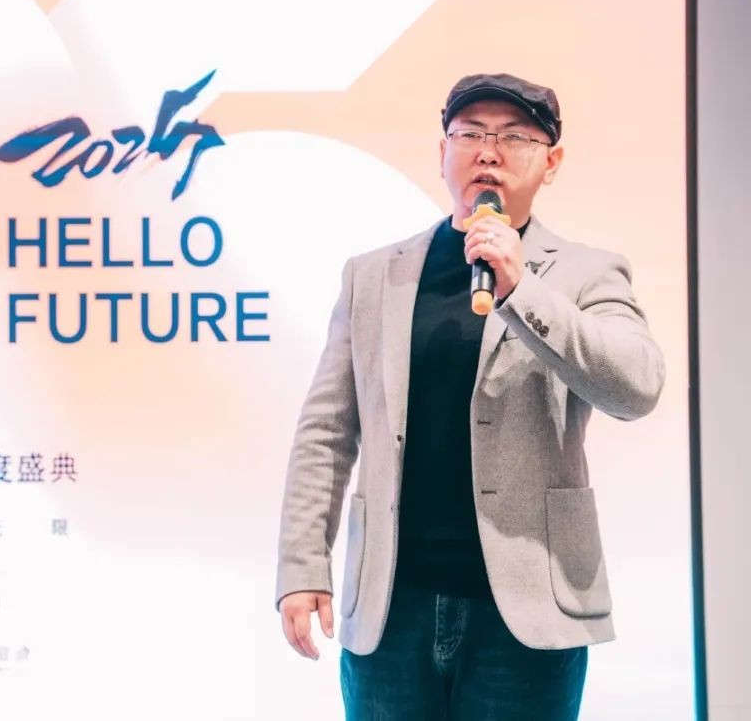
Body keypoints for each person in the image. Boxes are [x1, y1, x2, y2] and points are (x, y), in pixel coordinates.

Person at [274, 72, 666, 720]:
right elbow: (326, 431)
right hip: (390, 611)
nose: (489, 152)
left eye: (514, 137)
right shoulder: (373, 275)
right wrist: (302, 566)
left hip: (527, 615)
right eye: (471, 134)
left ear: (551, 162)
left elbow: (637, 387)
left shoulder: (586, 272)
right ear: (443, 153)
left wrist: (520, 288)